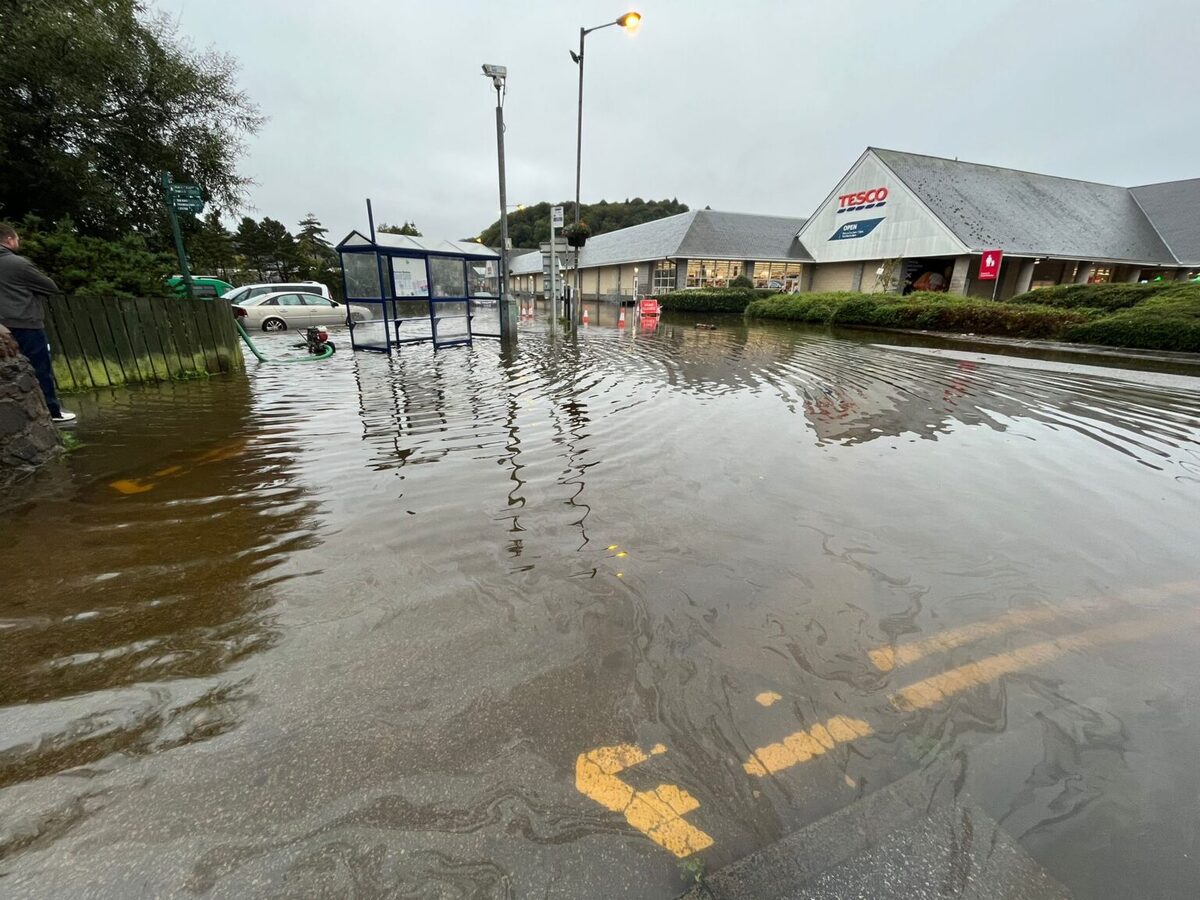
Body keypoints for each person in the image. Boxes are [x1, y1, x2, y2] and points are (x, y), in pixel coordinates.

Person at [0, 223, 75, 423]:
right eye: (17, 239)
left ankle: (17, 416)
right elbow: (51, 287)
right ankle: (52, 411)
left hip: (2, 329)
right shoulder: (18, 263)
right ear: (9, 240)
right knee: (40, 369)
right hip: (25, 324)